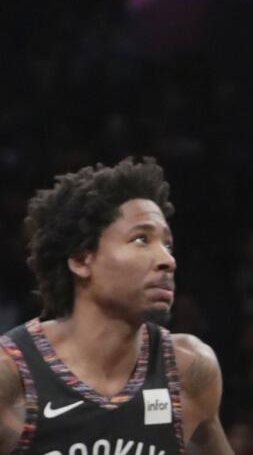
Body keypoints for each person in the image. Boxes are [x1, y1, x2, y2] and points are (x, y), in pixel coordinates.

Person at [0, 158, 231, 455]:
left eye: (168, 245)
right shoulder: (12, 376)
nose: (167, 260)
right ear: (82, 260)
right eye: (140, 239)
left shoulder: (189, 371)